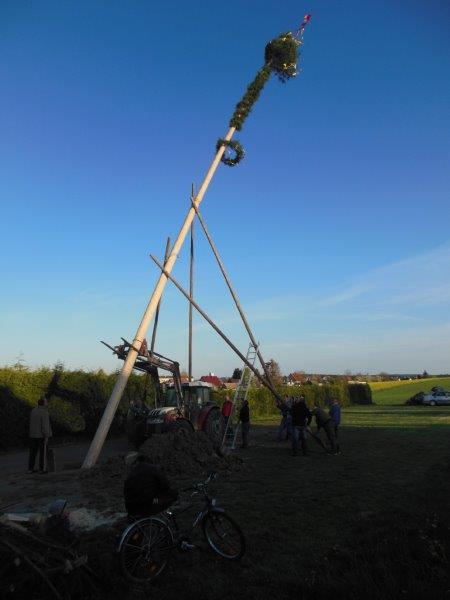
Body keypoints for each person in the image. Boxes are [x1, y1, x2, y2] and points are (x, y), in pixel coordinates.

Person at [28, 396, 52, 474]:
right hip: (41, 436)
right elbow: (45, 425)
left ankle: (30, 469)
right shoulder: (44, 412)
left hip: (33, 435)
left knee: (33, 453)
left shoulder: (33, 411)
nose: (47, 403)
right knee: (43, 453)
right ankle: (42, 469)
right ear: (44, 403)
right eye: (46, 402)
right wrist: (47, 435)